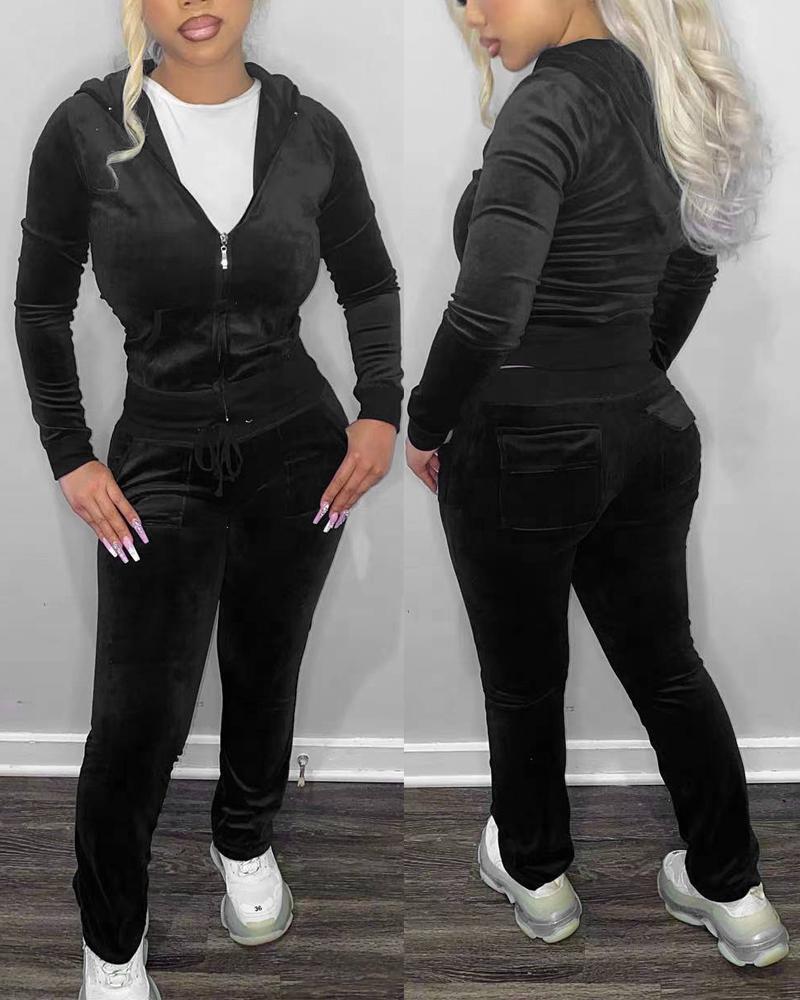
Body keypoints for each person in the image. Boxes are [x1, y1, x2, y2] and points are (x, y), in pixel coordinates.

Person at [13, 1, 402, 997]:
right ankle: (111, 939)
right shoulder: (85, 131)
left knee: (267, 668)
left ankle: (244, 837)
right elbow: (41, 306)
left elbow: (367, 280)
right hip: (161, 453)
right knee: (137, 717)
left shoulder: (310, 131)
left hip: (298, 454)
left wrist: (379, 411)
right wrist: (70, 453)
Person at [405, 0, 789, 969]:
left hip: (521, 452)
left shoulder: (545, 107)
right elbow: (691, 268)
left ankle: (536, 876)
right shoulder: (664, 92)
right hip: (648, 440)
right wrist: (626, 381)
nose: (472, 15)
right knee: (667, 667)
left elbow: (485, 314)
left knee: (524, 681)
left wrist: (425, 422)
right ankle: (734, 890)